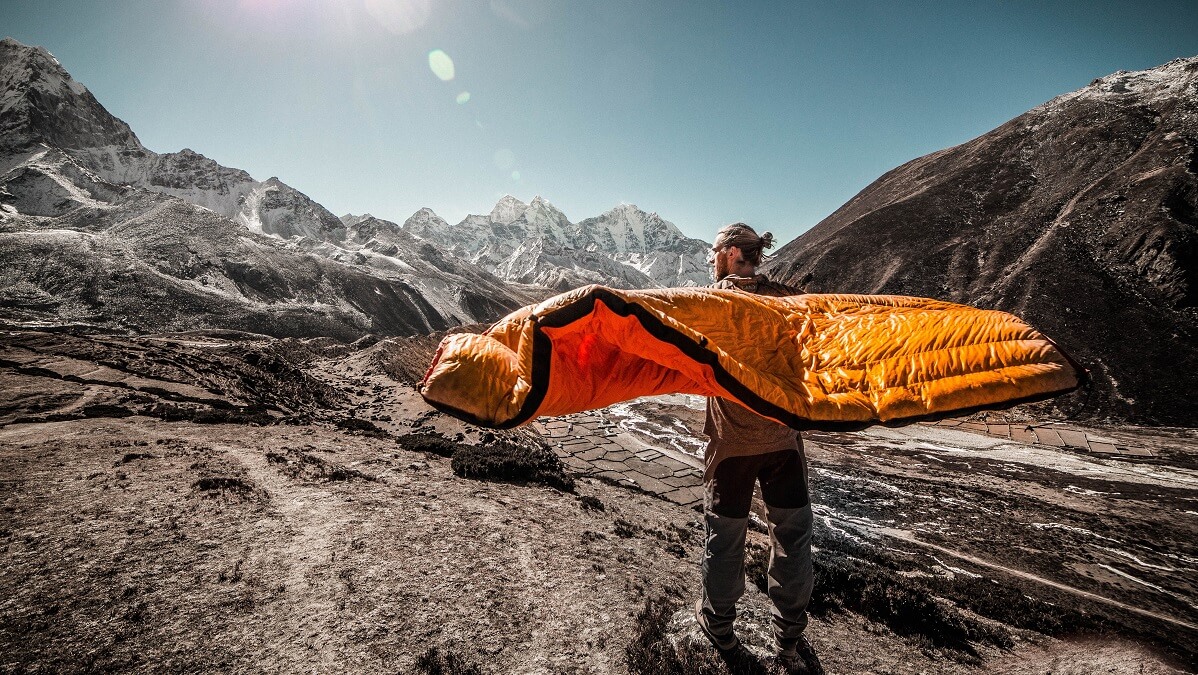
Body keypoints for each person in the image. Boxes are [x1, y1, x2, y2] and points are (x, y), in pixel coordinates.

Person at [694, 223, 823, 673]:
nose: (711, 260)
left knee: (725, 540)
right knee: (791, 538)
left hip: (731, 448)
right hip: (784, 445)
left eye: (714, 253)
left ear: (730, 254)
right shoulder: (788, 300)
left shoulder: (712, 304)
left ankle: (720, 627)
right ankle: (788, 634)